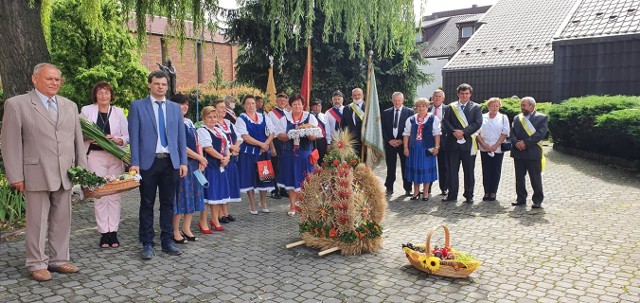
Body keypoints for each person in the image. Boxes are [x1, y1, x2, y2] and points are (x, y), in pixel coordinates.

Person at [1, 63, 87, 282]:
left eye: (58, 79)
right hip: (35, 172)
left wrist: (82, 171)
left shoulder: (70, 105)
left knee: (62, 219)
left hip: (65, 173)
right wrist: (15, 175)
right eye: (50, 79)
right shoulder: (17, 104)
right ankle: (36, 263)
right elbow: (10, 142)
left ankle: (58, 259)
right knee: (37, 222)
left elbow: (77, 140)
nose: (55, 83)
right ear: (35, 79)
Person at [128, 70, 188, 260]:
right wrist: (134, 163)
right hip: (148, 163)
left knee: (168, 203)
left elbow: (180, 138)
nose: (160, 87)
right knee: (146, 204)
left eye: (163, 84)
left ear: (167, 86)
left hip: (171, 162)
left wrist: (183, 162)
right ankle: (147, 243)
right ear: (149, 85)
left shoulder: (174, 108)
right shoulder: (138, 106)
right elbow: (134, 137)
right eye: (157, 84)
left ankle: (167, 241)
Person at [80, 82, 129, 249]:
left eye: (106, 93)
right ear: (95, 95)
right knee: (100, 194)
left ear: (111, 95)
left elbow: (127, 135)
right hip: (95, 156)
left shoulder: (118, 112)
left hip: (114, 155)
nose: (103, 96)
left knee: (114, 195)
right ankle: (103, 233)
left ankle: (113, 232)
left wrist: (117, 139)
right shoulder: (86, 111)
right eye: (100, 93)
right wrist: (88, 138)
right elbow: (78, 132)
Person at [170, 94, 207, 242]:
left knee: (193, 195)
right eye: (181, 104)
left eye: (186, 104)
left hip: (195, 164)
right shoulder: (172, 122)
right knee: (180, 197)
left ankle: (187, 227)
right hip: (181, 164)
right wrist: (199, 157)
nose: (184, 106)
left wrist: (201, 158)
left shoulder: (189, 122)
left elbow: (198, 142)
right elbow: (181, 146)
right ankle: (175, 230)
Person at [276, 93, 318, 216]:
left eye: (299, 104)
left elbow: (314, 136)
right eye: (294, 104)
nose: (297, 106)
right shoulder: (285, 118)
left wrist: (307, 133)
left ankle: (305, 205)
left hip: (305, 153)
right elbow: (279, 135)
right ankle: (293, 205)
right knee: (291, 178)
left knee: (306, 178)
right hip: (289, 153)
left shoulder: (309, 117)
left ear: (303, 104)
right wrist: (291, 135)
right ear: (291, 105)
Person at [441, 83, 483, 203]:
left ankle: (469, 195)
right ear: (458, 94)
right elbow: (445, 121)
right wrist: (454, 132)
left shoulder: (476, 107)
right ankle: (452, 194)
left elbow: (477, 123)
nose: (464, 95)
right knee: (452, 171)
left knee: (469, 171)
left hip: (468, 144)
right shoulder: (450, 107)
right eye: (462, 93)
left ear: (470, 94)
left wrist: (463, 132)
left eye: (467, 93)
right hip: (452, 143)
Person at [236, 95, 277, 214]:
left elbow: (272, 132)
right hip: (248, 153)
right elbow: (245, 137)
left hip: (263, 153)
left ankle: (263, 202)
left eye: (253, 103)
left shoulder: (264, 117)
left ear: (256, 105)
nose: (250, 106)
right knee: (249, 177)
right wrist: (261, 144)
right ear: (244, 106)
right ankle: (252, 203)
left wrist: (267, 144)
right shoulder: (241, 119)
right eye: (248, 104)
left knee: (264, 178)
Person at [510, 97, 548, 208]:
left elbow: (540, 134)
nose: (522, 107)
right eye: (521, 105)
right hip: (518, 152)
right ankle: (521, 198)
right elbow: (512, 133)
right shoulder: (517, 118)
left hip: (533, 152)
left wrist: (525, 143)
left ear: (532, 106)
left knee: (535, 177)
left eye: (524, 105)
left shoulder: (541, 118)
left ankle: (537, 200)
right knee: (519, 177)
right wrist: (516, 143)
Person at [197, 106, 230, 231]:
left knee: (217, 195)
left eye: (214, 117)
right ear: (204, 118)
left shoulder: (219, 131)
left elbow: (227, 146)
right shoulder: (202, 130)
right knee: (207, 196)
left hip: (220, 167)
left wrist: (227, 157)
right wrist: (222, 158)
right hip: (209, 167)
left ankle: (215, 219)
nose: (212, 119)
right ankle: (203, 222)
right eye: (209, 117)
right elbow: (208, 148)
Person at [403, 98, 441, 201]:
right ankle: (416, 192)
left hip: (427, 148)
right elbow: (406, 134)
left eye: (423, 106)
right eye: (419, 106)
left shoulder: (433, 118)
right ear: (416, 108)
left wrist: (437, 147)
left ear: (427, 107)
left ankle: (425, 192)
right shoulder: (411, 119)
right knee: (416, 169)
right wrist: (405, 147)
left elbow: (437, 134)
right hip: (414, 148)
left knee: (426, 170)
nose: (421, 108)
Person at [213, 99, 241, 223]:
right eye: (220, 107)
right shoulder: (214, 124)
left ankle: (226, 211)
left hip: (233, 158)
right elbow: (220, 141)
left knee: (228, 185)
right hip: (222, 159)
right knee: (222, 186)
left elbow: (239, 137)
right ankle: (219, 214)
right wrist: (231, 147)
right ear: (215, 109)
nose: (224, 110)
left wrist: (235, 147)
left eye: (224, 107)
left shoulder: (229, 123)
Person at [477, 97, 510, 202]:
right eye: (492, 105)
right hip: (484, 147)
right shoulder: (482, 117)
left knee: (496, 170)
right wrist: (483, 144)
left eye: (497, 105)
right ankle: (486, 191)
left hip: (498, 148)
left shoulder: (503, 117)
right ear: (488, 106)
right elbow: (477, 132)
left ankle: (493, 192)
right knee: (486, 170)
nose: (495, 107)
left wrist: (496, 145)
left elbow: (505, 132)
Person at [381, 92, 414, 196]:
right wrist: (389, 140)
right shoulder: (386, 112)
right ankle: (389, 187)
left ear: (403, 100)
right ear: (392, 101)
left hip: (403, 143)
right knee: (390, 167)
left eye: (399, 100)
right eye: (395, 100)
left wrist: (401, 140)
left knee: (406, 166)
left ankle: (408, 188)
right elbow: (383, 128)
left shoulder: (409, 112)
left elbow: (411, 129)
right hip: (390, 143)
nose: (397, 102)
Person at [267, 92, 290, 199]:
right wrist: (271, 147)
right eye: (280, 100)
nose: (282, 102)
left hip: (286, 141)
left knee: (284, 166)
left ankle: (283, 189)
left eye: (284, 101)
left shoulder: (288, 113)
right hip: (276, 141)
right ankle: (274, 189)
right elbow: (269, 132)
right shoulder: (271, 114)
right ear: (276, 101)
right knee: (276, 166)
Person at [428, 89, 449, 196]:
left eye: (439, 96)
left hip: (444, 142)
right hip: (429, 142)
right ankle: (428, 187)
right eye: (435, 96)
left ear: (443, 98)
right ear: (432, 97)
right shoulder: (427, 109)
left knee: (443, 165)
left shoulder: (448, 109)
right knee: (428, 165)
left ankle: (444, 188)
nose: (437, 98)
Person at [341, 88, 366, 157]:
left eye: (359, 95)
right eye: (354, 95)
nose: (357, 97)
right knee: (351, 163)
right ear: (352, 97)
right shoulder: (346, 109)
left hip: (365, 140)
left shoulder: (368, 107)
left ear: (363, 96)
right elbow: (343, 125)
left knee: (365, 165)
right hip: (351, 141)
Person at [310, 98, 328, 165]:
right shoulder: (309, 117)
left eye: (318, 106)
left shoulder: (325, 116)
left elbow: (327, 129)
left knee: (322, 159)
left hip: (322, 141)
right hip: (312, 140)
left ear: (321, 107)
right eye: (315, 106)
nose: (317, 108)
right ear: (311, 107)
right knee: (313, 159)